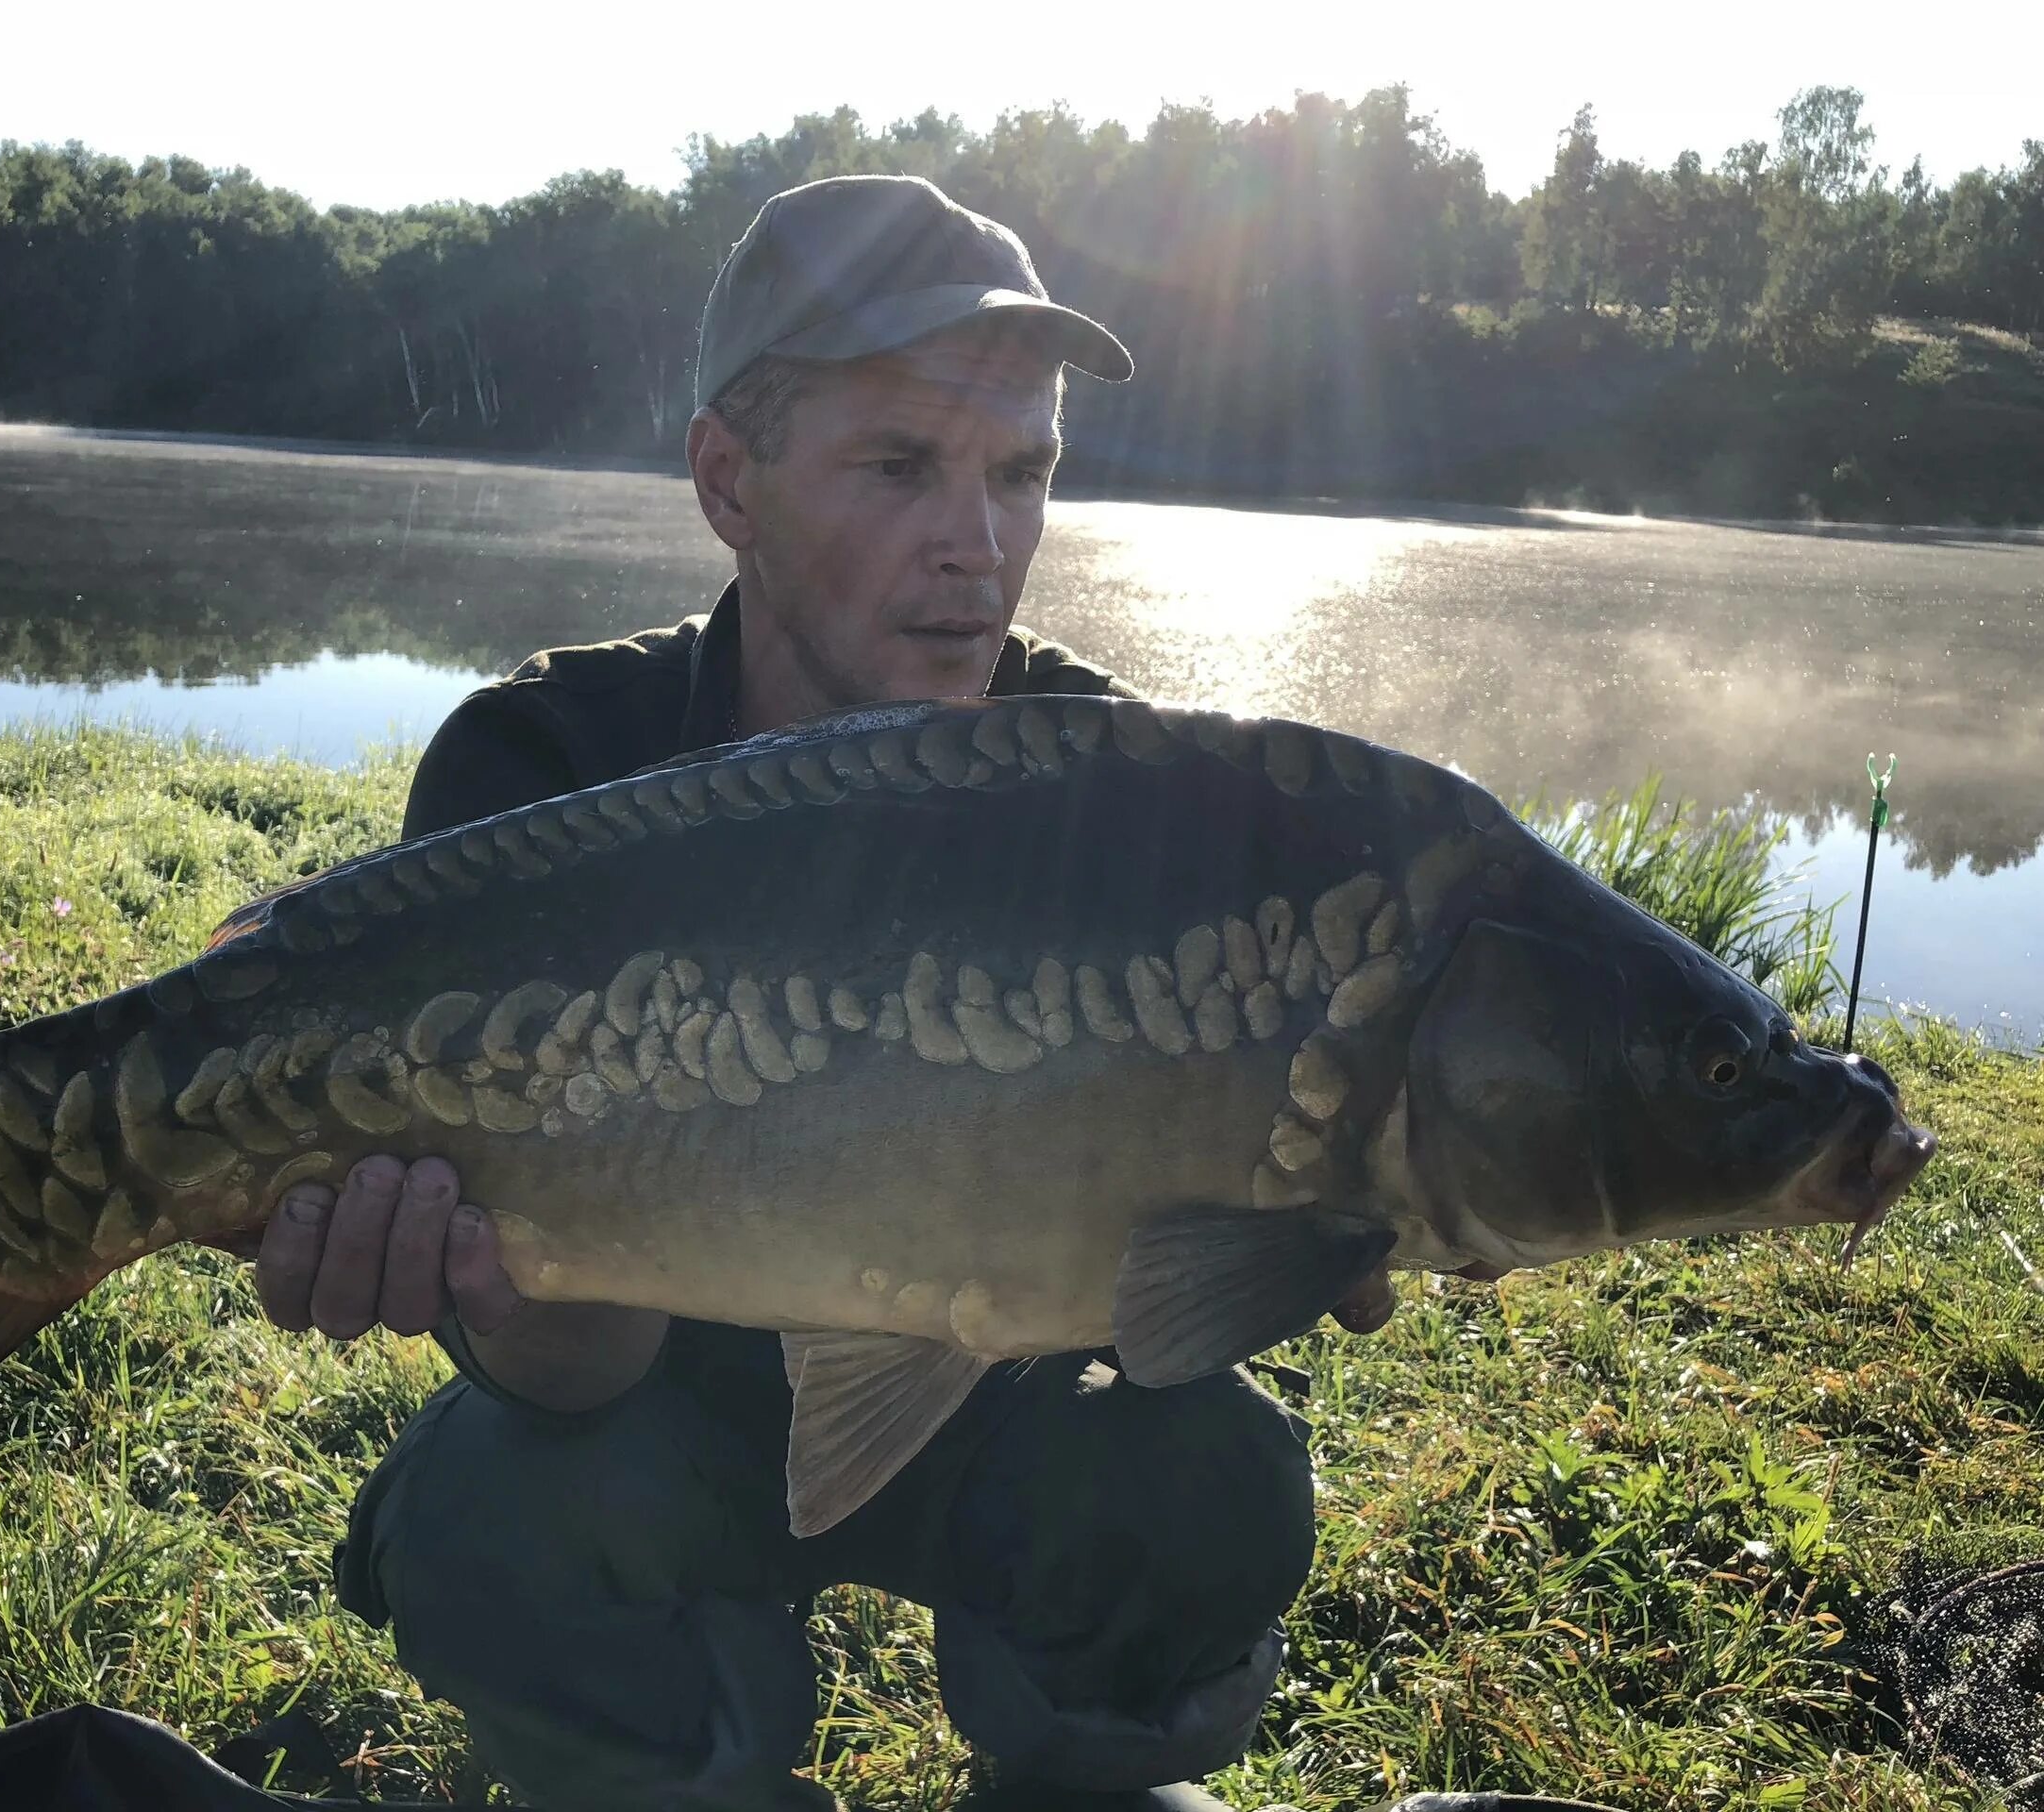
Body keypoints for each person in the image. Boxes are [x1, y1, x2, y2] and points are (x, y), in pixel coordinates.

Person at [240, 176, 1615, 1812]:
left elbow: (1212, 1274)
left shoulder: (1133, 794)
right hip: (656, 1415)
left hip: (1010, 1405)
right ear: (729, 482)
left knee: (1213, 1480)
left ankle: (1085, 1780)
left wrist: (1329, 1226)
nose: (978, 543)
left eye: (1020, 473)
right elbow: (570, 1369)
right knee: (488, 1518)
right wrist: (476, 1273)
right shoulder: (544, 776)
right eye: (900, 467)